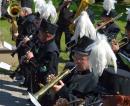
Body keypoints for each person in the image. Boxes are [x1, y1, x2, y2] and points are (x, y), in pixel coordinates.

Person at [52, 35, 117, 106]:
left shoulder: (96, 80)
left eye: (81, 59)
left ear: (92, 60)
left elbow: (85, 103)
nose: (76, 61)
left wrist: (63, 92)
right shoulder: (69, 66)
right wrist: (55, 83)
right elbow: (61, 87)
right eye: (75, 57)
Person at [26, 18, 59, 106]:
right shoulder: (44, 43)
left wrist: (32, 59)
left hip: (45, 89)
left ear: (47, 35)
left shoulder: (51, 51)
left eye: (40, 32)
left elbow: (45, 71)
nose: (38, 34)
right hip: (37, 83)